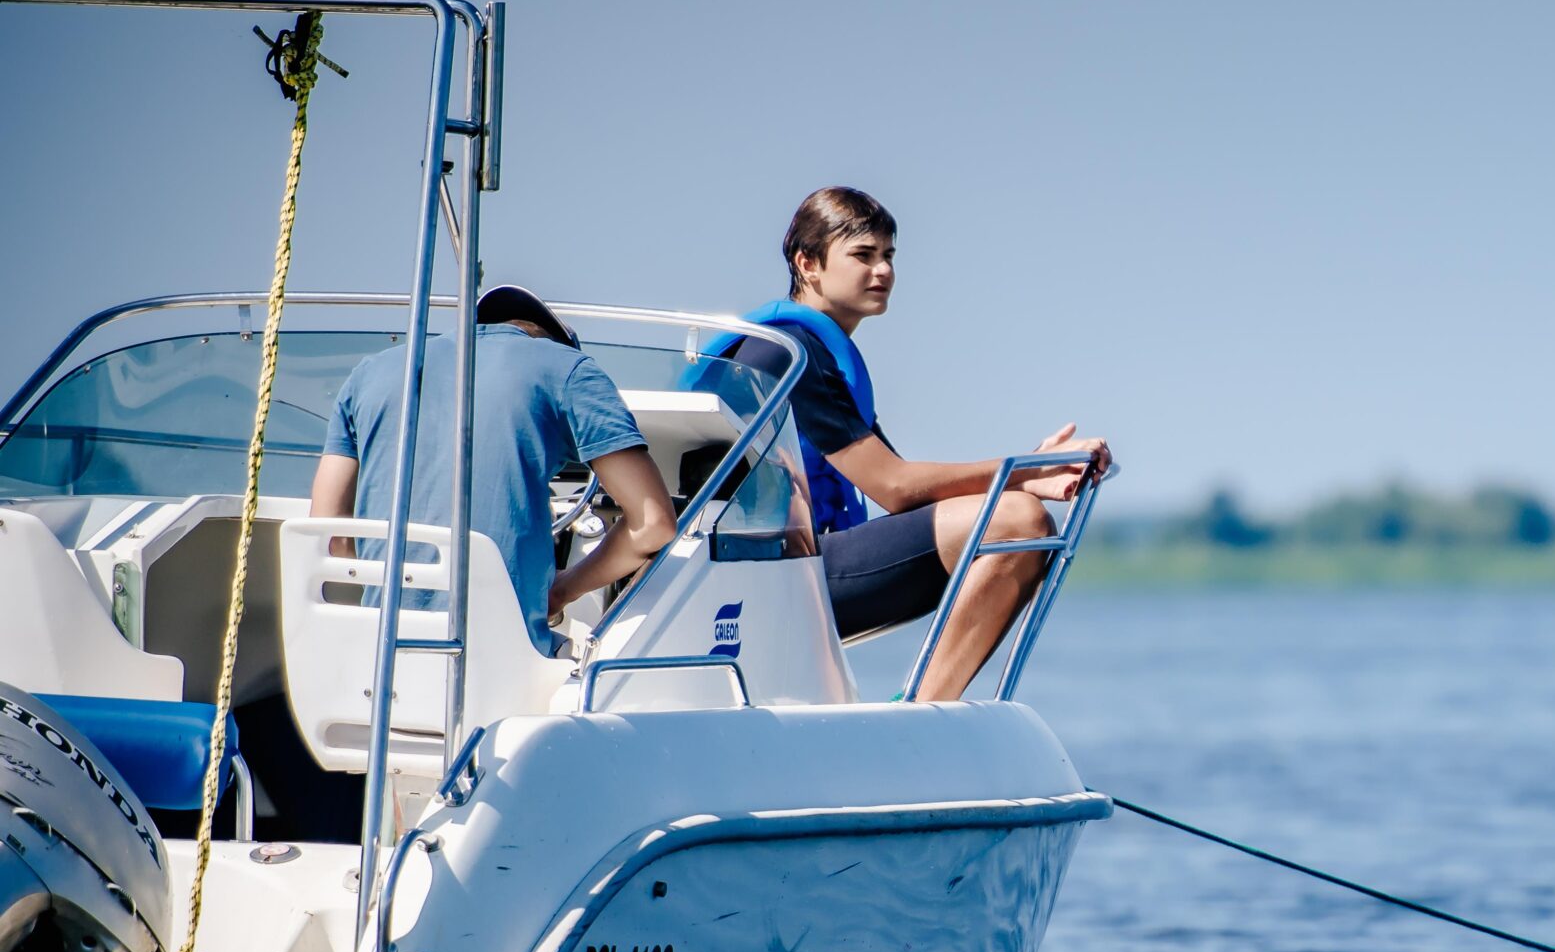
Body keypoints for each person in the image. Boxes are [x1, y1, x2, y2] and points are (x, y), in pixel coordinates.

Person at [723, 186, 1111, 701]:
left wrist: (1028, 475)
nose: (883, 270)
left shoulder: (806, 351)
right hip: (769, 581)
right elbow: (896, 488)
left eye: (889, 256)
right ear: (808, 263)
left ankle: (921, 711)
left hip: (778, 573)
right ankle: (924, 712)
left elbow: (905, 490)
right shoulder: (790, 354)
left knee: (1014, 515)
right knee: (1018, 522)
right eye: (863, 255)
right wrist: (1027, 472)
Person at [309, 286, 678, 653]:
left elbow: (330, 537)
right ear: (552, 343)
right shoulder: (568, 368)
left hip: (377, 653)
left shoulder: (369, 373)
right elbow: (653, 524)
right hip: (496, 656)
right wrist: (562, 590)